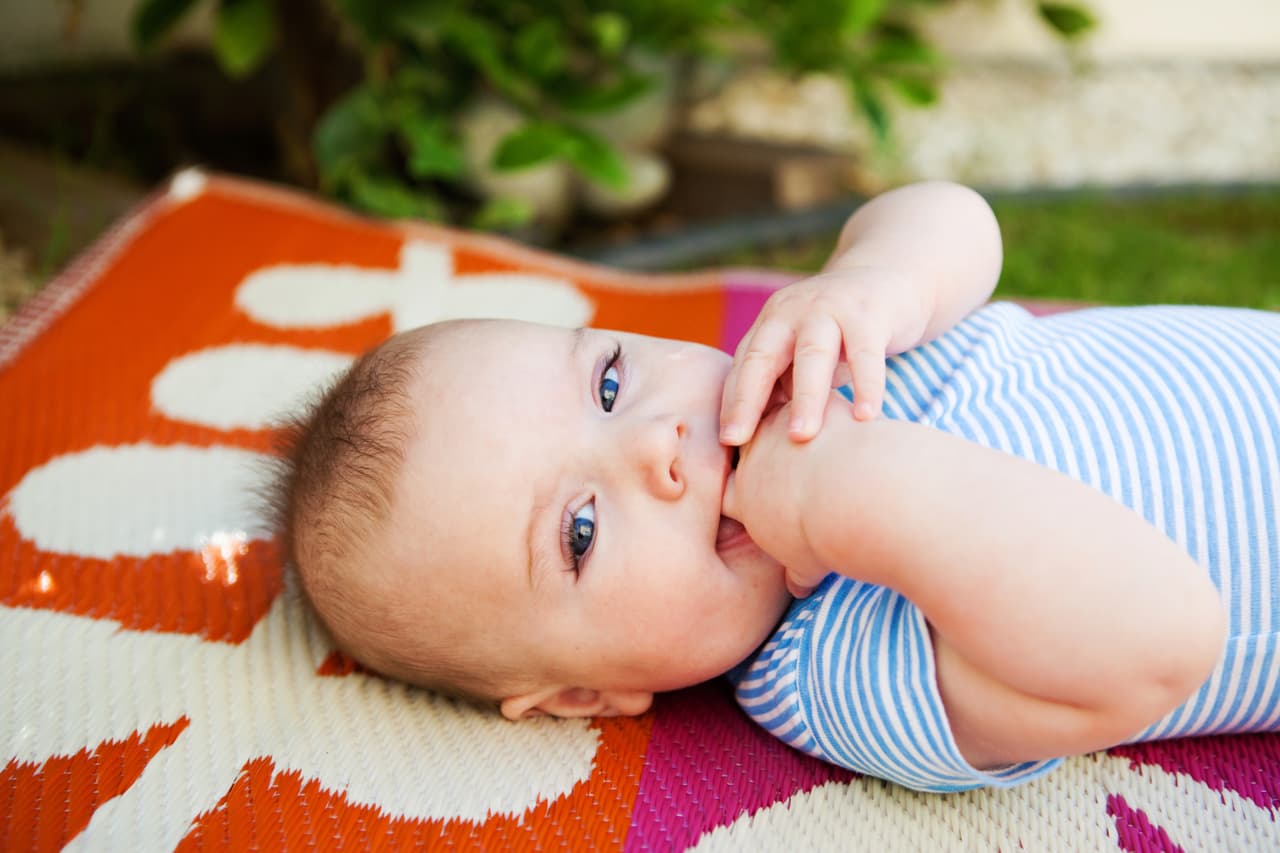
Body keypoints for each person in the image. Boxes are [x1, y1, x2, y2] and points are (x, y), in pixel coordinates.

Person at [275, 182, 1280, 793]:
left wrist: (873, 278)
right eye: (579, 529)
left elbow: (952, 218)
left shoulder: (807, 357)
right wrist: (851, 487)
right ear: (586, 692)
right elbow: (1160, 636)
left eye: (610, 381)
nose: (655, 447)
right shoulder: (829, 673)